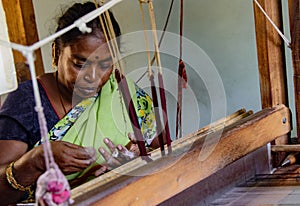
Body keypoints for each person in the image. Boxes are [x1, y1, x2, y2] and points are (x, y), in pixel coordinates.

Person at [0, 2, 159, 204]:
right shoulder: (26, 102)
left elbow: (166, 153)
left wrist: (136, 162)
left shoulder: (122, 92)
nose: (92, 77)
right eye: (79, 64)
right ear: (56, 53)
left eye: (104, 65)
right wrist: (37, 160)